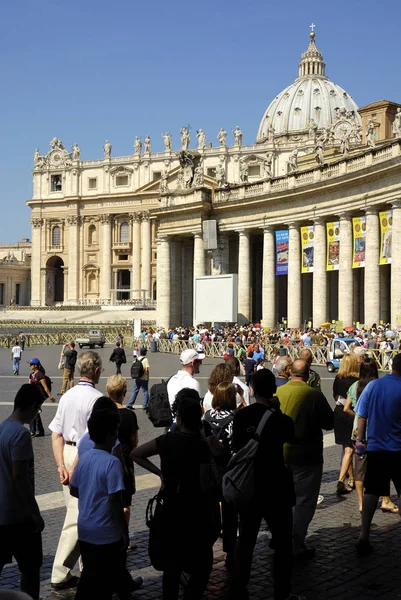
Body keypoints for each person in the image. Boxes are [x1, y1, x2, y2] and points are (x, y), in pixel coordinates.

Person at [132, 392, 220, 600]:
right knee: (202, 563)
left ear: (178, 418)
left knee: (171, 567)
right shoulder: (201, 447)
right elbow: (205, 483)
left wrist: (160, 473)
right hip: (194, 510)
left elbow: (136, 453)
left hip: (170, 508)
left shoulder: (166, 440)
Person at [231, 369, 305, 600]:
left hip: (251, 484)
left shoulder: (241, 417)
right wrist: (277, 411)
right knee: (283, 543)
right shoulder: (282, 419)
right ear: (273, 389)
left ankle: (239, 586)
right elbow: (292, 438)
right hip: (277, 485)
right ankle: (282, 590)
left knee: (246, 540)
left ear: (252, 390)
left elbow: (236, 446)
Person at [71, 408, 140, 600]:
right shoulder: (112, 463)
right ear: (111, 434)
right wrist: (124, 532)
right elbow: (115, 501)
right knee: (107, 580)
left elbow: (74, 489)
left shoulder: (84, 459)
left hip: (85, 529)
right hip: (107, 533)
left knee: (90, 575)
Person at [48, 351, 104, 591]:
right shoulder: (98, 399)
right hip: (84, 457)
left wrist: (61, 464)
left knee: (76, 511)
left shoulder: (67, 395)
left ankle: (86, 565)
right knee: (77, 518)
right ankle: (60, 573)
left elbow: (56, 434)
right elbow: (90, 439)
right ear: (98, 371)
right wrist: (74, 467)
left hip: (67, 454)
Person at [276, 359, 334, 560]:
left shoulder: (278, 393)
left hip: (280, 455)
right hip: (307, 455)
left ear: (289, 372)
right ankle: (297, 543)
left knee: (283, 501)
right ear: (308, 373)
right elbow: (329, 422)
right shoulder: (313, 395)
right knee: (304, 501)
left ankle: (281, 538)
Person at [0, 384, 45, 600]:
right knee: (30, 569)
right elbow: (20, 477)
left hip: (1, 512)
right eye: (38, 409)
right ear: (33, 406)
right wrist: (35, 514)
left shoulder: (2, 428)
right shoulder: (21, 435)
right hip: (18, 516)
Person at [355, 353, 401, 555]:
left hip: (376, 448)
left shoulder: (373, 386)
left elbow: (361, 414)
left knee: (371, 492)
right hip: (399, 449)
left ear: (391, 366)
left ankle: (364, 534)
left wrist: (359, 440)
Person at [343, 358, 397, 514]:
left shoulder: (354, 386)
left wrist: (357, 416)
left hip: (357, 432)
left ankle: (361, 502)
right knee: (383, 468)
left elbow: (347, 408)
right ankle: (385, 499)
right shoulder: (379, 386)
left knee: (360, 469)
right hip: (375, 431)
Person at [204, 381, 237, 568]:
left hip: (210, 471)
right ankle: (230, 552)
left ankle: (206, 549)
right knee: (230, 514)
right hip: (227, 470)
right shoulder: (233, 419)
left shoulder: (207, 416)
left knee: (211, 513)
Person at [107, 375, 139, 549]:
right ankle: (123, 537)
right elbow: (135, 441)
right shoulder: (129, 415)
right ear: (124, 393)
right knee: (125, 503)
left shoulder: (104, 414)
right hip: (125, 462)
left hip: (106, 461)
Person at [332, 353, 359, 494]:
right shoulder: (356, 380)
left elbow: (334, 394)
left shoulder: (338, 378)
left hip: (338, 411)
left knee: (346, 446)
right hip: (350, 413)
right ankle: (341, 480)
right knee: (350, 450)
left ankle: (352, 479)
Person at [28, 358, 54, 437]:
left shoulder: (40, 375)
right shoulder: (31, 375)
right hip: (32, 396)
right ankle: (34, 431)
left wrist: (50, 396)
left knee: (34, 412)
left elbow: (45, 387)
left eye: (31, 364)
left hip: (40, 396)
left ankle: (38, 431)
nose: (30, 366)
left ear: (35, 366)